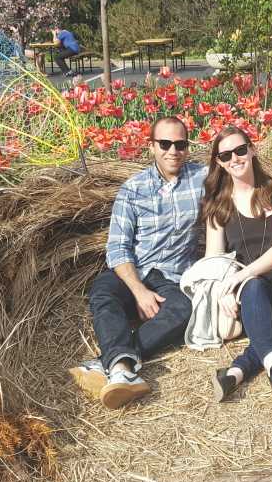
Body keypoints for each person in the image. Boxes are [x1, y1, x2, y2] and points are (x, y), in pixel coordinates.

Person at [70, 116, 207, 409]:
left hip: (172, 275)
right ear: (152, 147)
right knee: (103, 293)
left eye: (180, 144)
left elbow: (240, 172)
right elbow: (118, 248)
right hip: (133, 270)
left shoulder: (202, 179)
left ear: (187, 146)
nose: (173, 151)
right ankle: (122, 367)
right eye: (165, 144)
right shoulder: (133, 189)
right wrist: (138, 291)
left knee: (184, 309)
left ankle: (112, 364)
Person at [201, 126, 272, 401]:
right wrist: (226, 288)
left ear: (252, 150)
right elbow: (214, 259)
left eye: (240, 150)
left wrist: (241, 275)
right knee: (254, 287)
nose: (235, 158)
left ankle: (236, 372)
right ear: (219, 162)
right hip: (248, 288)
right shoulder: (217, 204)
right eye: (225, 155)